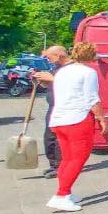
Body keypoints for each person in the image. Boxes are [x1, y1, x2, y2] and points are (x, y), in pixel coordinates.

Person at [47, 42, 107, 212]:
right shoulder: (88, 72)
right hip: (78, 119)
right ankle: (61, 195)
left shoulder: (62, 72)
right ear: (91, 56)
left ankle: (66, 192)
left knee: (67, 158)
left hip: (58, 119)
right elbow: (92, 98)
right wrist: (102, 118)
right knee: (78, 158)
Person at [32, 46, 71, 179]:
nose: (48, 60)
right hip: (52, 106)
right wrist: (41, 80)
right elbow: (49, 84)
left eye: (49, 57)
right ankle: (53, 164)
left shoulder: (72, 69)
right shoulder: (56, 68)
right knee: (49, 137)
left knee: (59, 138)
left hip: (65, 108)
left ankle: (61, 166)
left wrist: (52, 78)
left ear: (58, 55)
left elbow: (72, 85)